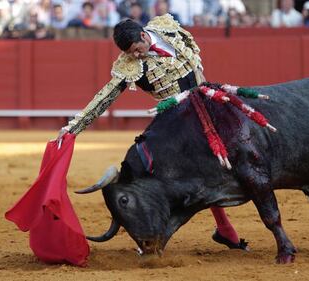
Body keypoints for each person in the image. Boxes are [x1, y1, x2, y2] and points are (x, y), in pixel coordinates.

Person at [56, 14, 248, 251]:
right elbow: (105, 97)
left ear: (145, 36)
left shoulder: (167, 28)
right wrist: (73, 128)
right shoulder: (130, 65)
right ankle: (151, 233)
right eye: (131, 53)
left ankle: (224, 230)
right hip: (176, 126)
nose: (136, 56)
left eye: (137, 49)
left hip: (208, 107)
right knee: (182, 174)